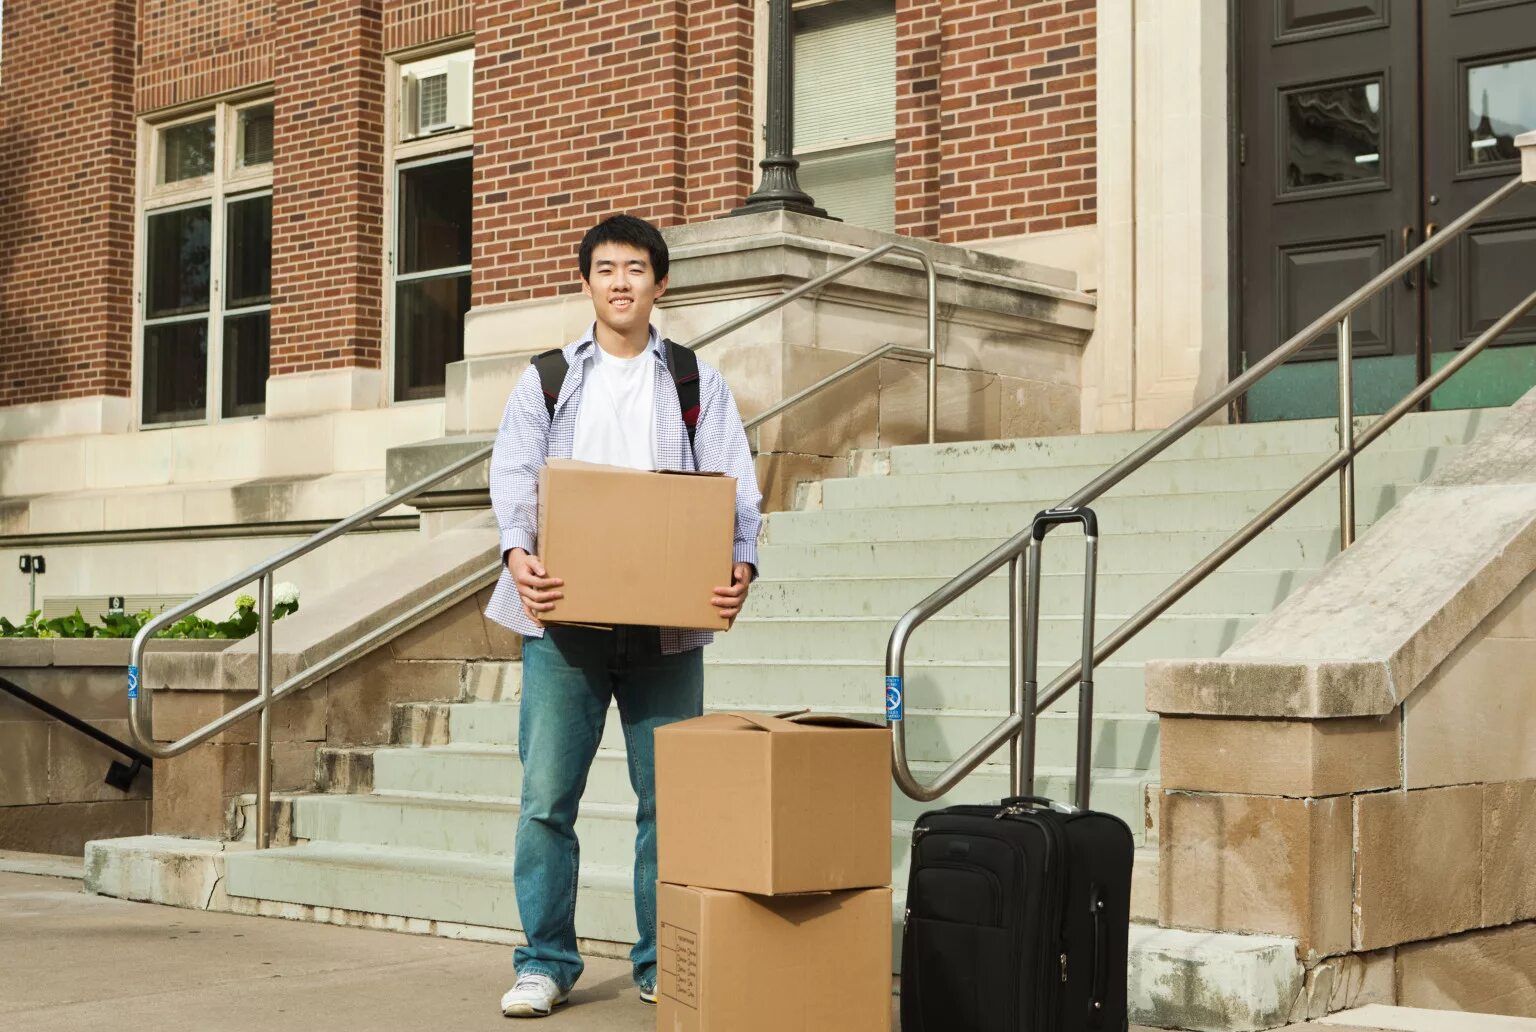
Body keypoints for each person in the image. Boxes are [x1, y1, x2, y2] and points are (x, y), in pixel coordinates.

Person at [484, 213, 763, 1018]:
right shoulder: (546, 379)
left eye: (635, 269)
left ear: (659, 283)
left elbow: (735, 487)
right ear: (586, 282)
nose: (619, 282)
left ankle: (658, 960)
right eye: (605, 268)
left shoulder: (694, 382)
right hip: (564, 625)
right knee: (546, 801)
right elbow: (514, 480)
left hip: (665, 630)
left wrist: (740, 562)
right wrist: (516, 556)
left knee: (669, 805)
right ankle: (544, 960)